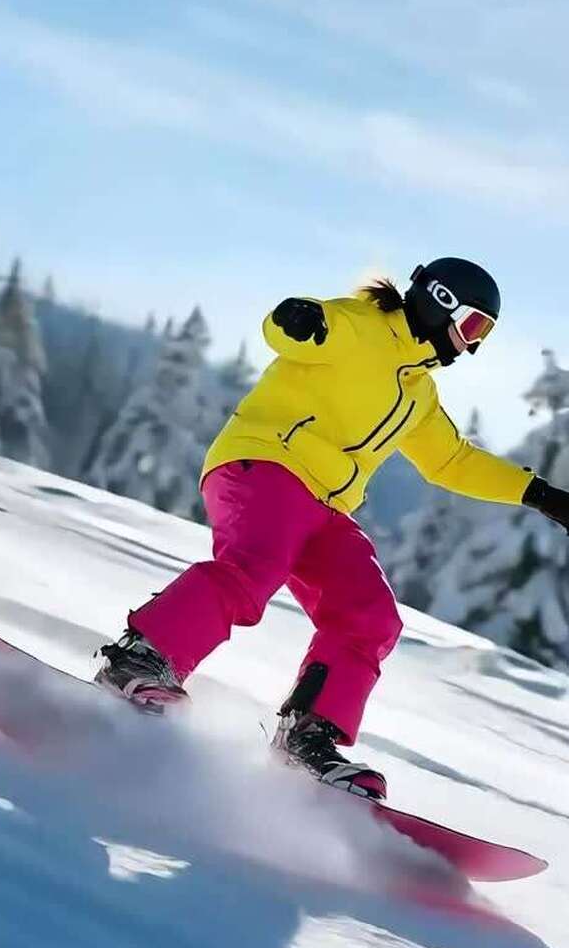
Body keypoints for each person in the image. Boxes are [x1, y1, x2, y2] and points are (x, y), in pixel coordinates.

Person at [96, 258, 569, 801]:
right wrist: (296, 318)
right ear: (441, 302)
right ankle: (142, 656)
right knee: (255, 567)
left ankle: (308, 734)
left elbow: (452, 461)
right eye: (471, 327)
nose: (471, 345)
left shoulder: (418, 393)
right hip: (266, 464)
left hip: (323, 504)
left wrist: (540, 494)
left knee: (370, 614)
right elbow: (291, 331)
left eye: (482, 333)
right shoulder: (358, 325)